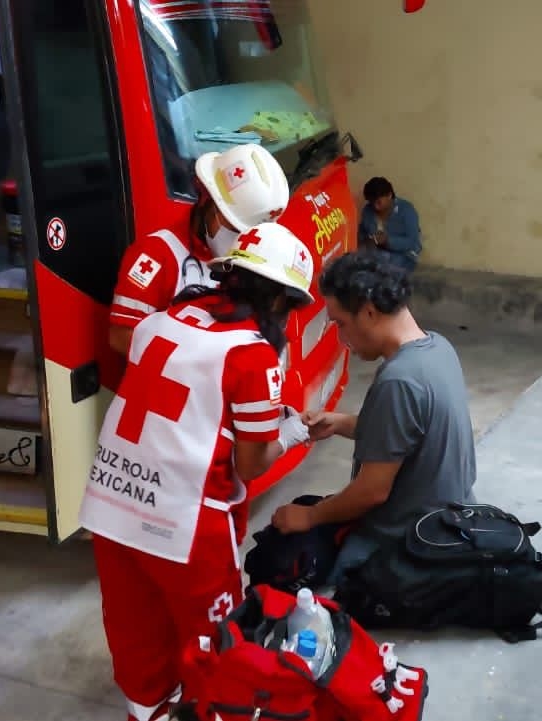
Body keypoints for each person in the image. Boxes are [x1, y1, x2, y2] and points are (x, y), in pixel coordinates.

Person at [81, 222, 317, 721]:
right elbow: (250, 464)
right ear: (280, 303)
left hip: (110, 505)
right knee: (217, 644)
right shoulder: (253, 355)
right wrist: (291, 435)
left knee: (135, 632)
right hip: (184, 523)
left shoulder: (160, 321)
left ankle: (148, 713)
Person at [270, 248, 475, 587]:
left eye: (340, 323)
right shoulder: (438, 348)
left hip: (407, 542)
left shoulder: (399, 380)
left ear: (368, 312)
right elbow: (413, 434)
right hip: (449, 520)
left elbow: (371, 492)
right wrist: (339, 423)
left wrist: (309, 517)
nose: (340, 337)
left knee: (282, 552)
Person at [108, 143, 292, 355]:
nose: (241, 240)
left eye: (250, 233)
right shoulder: (156, 255)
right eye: (235, 228)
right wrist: (196, 367)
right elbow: (121, 336)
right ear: (207, 199)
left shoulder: (257, 259)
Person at [357, 176, 422, 273]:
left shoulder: (406, 210)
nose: (375, 206)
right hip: (377, 253)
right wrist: (366, 241)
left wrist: (387, 241)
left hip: (404, 255)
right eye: (372, 202)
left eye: (379, 202)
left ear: (389, 195)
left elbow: (412, 242)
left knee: (385, 268)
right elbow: (362, 233)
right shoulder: (368, 211)